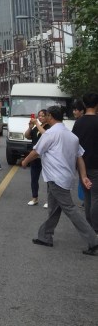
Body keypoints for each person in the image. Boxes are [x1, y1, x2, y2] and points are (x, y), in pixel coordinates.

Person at [21, 105, 98, 254]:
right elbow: (80, 157)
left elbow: (36, 152)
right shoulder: (71, 136)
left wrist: (24, 162)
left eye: (46, 115)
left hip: (56, 179)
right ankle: (45, 236)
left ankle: (93, 241)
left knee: (70, 209)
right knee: (54, 208)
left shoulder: (50, 134)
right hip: (64, 178)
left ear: (50, 116)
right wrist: (83, 176)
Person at [72, 92, 98, 231]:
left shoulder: (78, 123)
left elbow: (74, 144)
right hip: (96, 166)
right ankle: (95, 228)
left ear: (84, 104)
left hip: (81, 164)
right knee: (96, 197)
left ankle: (89, 226)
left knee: (88, 197)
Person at [24, 109, 49, 206]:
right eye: (39, 116)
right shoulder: (36, 127)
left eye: (43, 115)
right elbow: (27, 136)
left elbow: (46, 135)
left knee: (48, 179)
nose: (40, 117)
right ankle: (35, 198)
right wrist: (30, 127)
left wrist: (37, 124)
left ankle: (49, 200)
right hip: (35, 156)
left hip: (46, 156)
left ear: (47, 116)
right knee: (34, 178)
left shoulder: (49, 127)